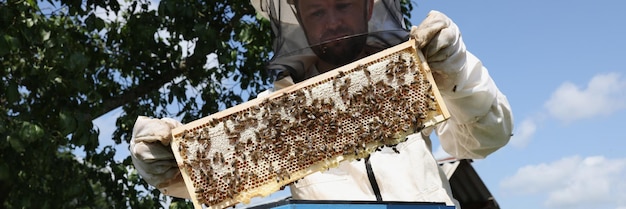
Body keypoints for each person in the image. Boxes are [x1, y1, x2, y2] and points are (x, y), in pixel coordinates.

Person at [129, 0, 514, 208]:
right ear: (298, 17)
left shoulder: (415, 77)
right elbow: (223, 184)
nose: (333, 22)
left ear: (367, 7)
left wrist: (458, 72)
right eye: (317, 10)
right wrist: (175, 171)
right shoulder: (273, 113)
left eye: (343, 4)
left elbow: (487, 138)